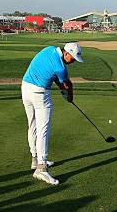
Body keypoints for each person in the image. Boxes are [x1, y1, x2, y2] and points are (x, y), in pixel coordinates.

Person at [21, 42, 83, 185]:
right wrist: (69, 96)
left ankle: (35, 159)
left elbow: (54, 77)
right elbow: (67, 84)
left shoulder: (49, 49)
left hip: (25, 88)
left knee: (32, 125)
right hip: (39, 93)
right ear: (66, 53)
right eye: (72, 58)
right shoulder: (61, 68)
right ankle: (41, 169)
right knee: (43, 129)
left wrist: (64, 90)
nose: (73, 62)